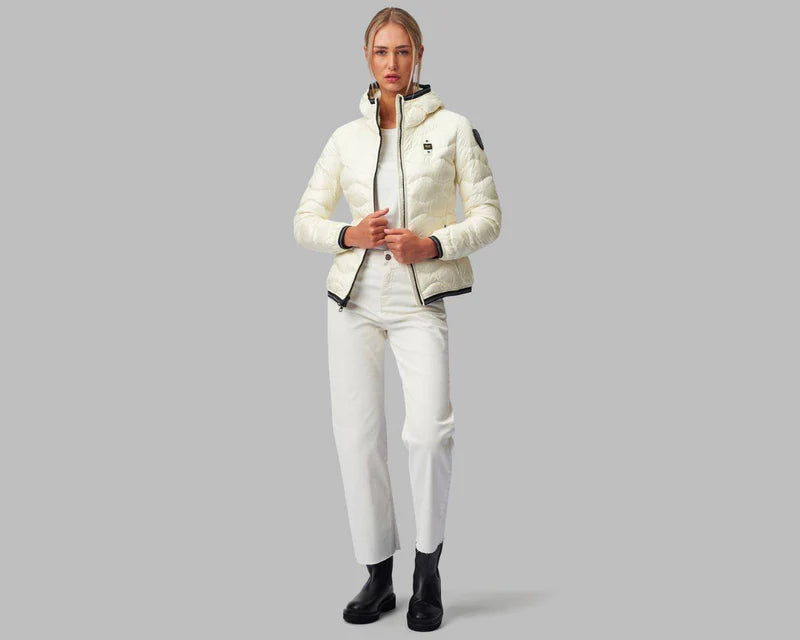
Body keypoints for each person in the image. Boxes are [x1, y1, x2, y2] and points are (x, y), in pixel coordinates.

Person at [293, 7, 501, 632]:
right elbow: (304, 220)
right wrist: (348, 234)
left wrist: (432, 244)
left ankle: (427, 570)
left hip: (419, 300)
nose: (391, 63)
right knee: (357, 438)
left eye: (402, 51)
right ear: (367, 57)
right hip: (353, 302)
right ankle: (378, 573)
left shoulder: (454, 128)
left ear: (419, 56)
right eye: (381, 52)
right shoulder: (344, 139)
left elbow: (489, 216)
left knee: (430, 434)